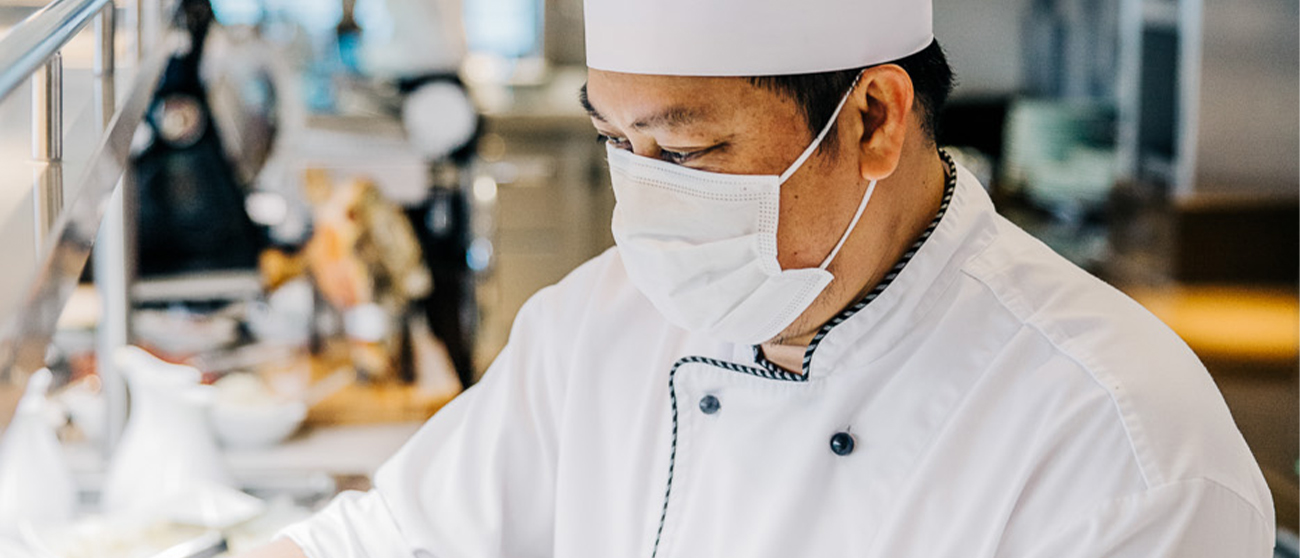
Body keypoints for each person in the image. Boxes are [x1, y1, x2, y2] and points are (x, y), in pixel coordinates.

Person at [241, 0, 1274, 556]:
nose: (641, 203)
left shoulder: (1120, 447)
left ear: (873, 119)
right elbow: (393, 539)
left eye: (686, 155)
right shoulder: (592, 329)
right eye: (616, 143)